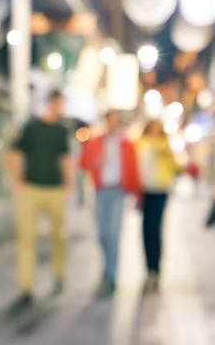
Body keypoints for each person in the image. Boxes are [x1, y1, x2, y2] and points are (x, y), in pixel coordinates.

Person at [8, 89, 72, 309]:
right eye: (58, 103)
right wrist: (17, 180)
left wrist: (68, 183)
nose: (60, 107)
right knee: (27, 237)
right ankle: (26, 286)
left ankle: (58, 274)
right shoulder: (32, 126)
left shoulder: (62, 130)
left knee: (59, 235)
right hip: (32, 188)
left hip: (55, 189)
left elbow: (65, 157)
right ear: (50, 103)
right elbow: (14, 151)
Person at [79, 110, 141, 298]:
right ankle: (106, 270)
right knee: (102, 234)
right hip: (100, 191)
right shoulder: (97, 142)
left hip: (117, 191)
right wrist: (95, 162)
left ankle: (111, 276)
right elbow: (84, 163)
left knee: (113, 233)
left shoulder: (127, 144)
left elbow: (133, 168)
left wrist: (136, 193)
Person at [137, 120, 180, 294]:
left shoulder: (165, 145)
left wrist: (168, 154)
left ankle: (156, 268)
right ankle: (149, 268)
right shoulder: (141, 144)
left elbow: (178, 166)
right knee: (146, 229)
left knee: (156, 227)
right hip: (145, 190)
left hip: (160, 189)